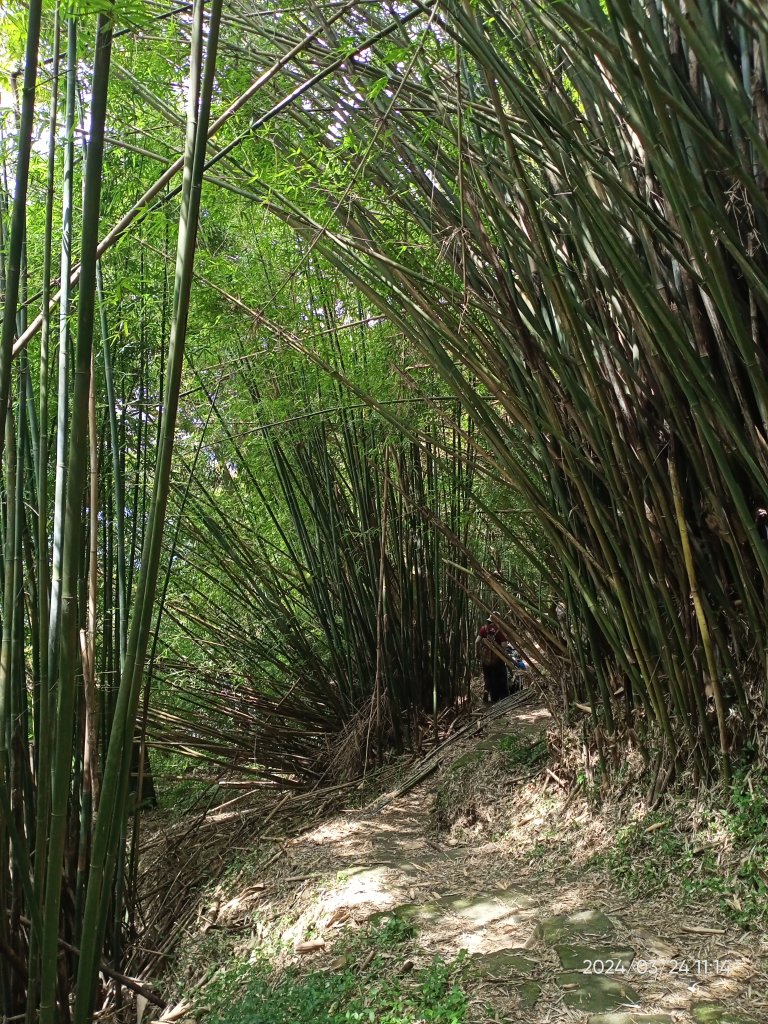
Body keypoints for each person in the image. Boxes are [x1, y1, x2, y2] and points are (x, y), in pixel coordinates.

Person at [476, 614, 510, 703]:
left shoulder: (484, 628)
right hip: (498, 657)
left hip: (486, 658)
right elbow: (504, 645)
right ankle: (503, 697)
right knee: (500, 677)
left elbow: (477, 641)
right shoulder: (500, 630)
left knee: (488, 677)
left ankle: (490, 695)